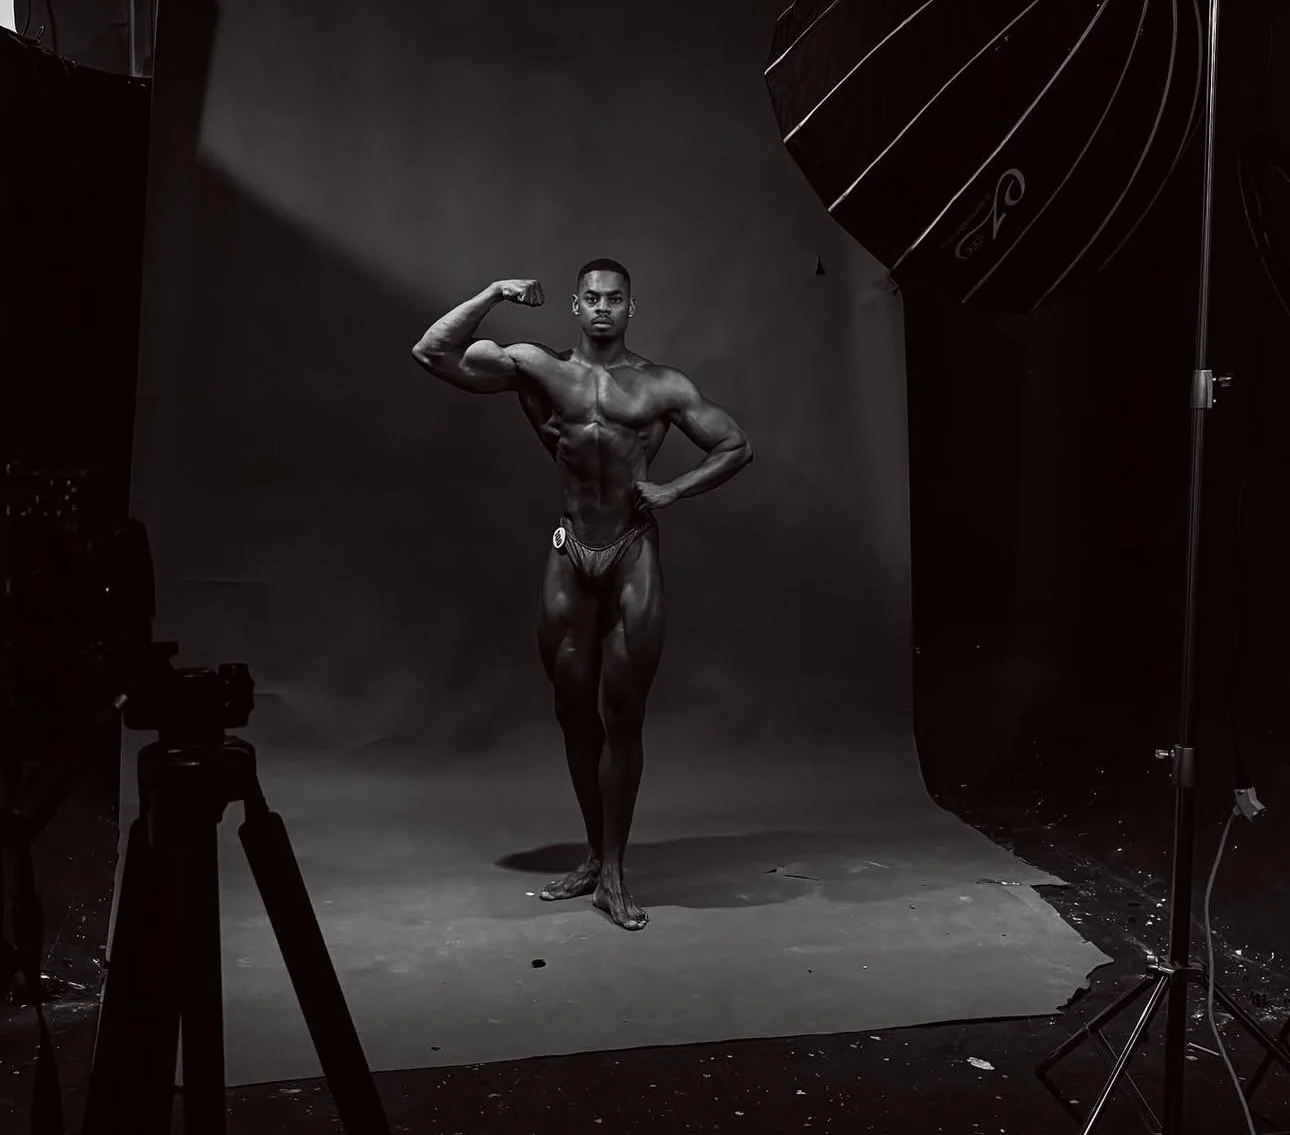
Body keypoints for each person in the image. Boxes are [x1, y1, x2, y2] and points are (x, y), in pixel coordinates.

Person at [411, 259, 753, 930]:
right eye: (592, 297)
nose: (603, 307)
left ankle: (616, 873)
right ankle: (596, 858)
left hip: (632, 550)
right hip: (571, 550)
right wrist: (491, 292)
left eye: (614, 298)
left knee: (623, 715)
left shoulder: (661, 384)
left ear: (631, 307)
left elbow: (735, 443)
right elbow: (432, 352)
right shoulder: (537, 368)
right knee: (574, 711)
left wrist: (674, 490)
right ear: (575, 305)